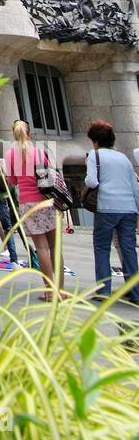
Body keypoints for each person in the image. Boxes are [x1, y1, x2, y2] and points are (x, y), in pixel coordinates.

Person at [4, 120, 64, 300]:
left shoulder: (10, 154)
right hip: (46, 201)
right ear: (29, 133)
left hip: (28, 204)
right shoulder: (39, 151)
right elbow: (49, 175)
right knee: (55, 247)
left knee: (42, 248)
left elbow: (13, 181)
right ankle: (61, 290)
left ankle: (49, 292)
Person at [84, 119, 139, 304]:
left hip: (106, 207)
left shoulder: (94, 155)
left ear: (95, 141)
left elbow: (91, 181)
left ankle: (104, 291)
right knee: (129, 249)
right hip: (129, 209)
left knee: (101, 248)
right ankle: (135, 291)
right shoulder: (123, 158)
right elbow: (134, 186)